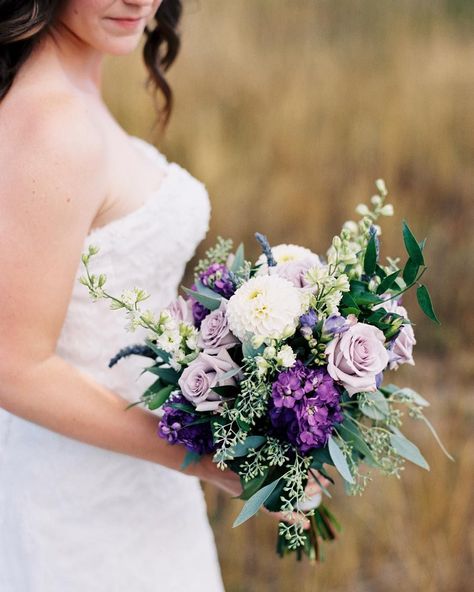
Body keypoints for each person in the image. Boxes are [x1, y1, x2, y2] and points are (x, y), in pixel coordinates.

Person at [0, 2, 325, 590]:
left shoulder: (76, 86)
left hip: (138, 485)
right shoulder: (51, 124)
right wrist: (208, 460)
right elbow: (12, 366)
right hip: (75, 510)